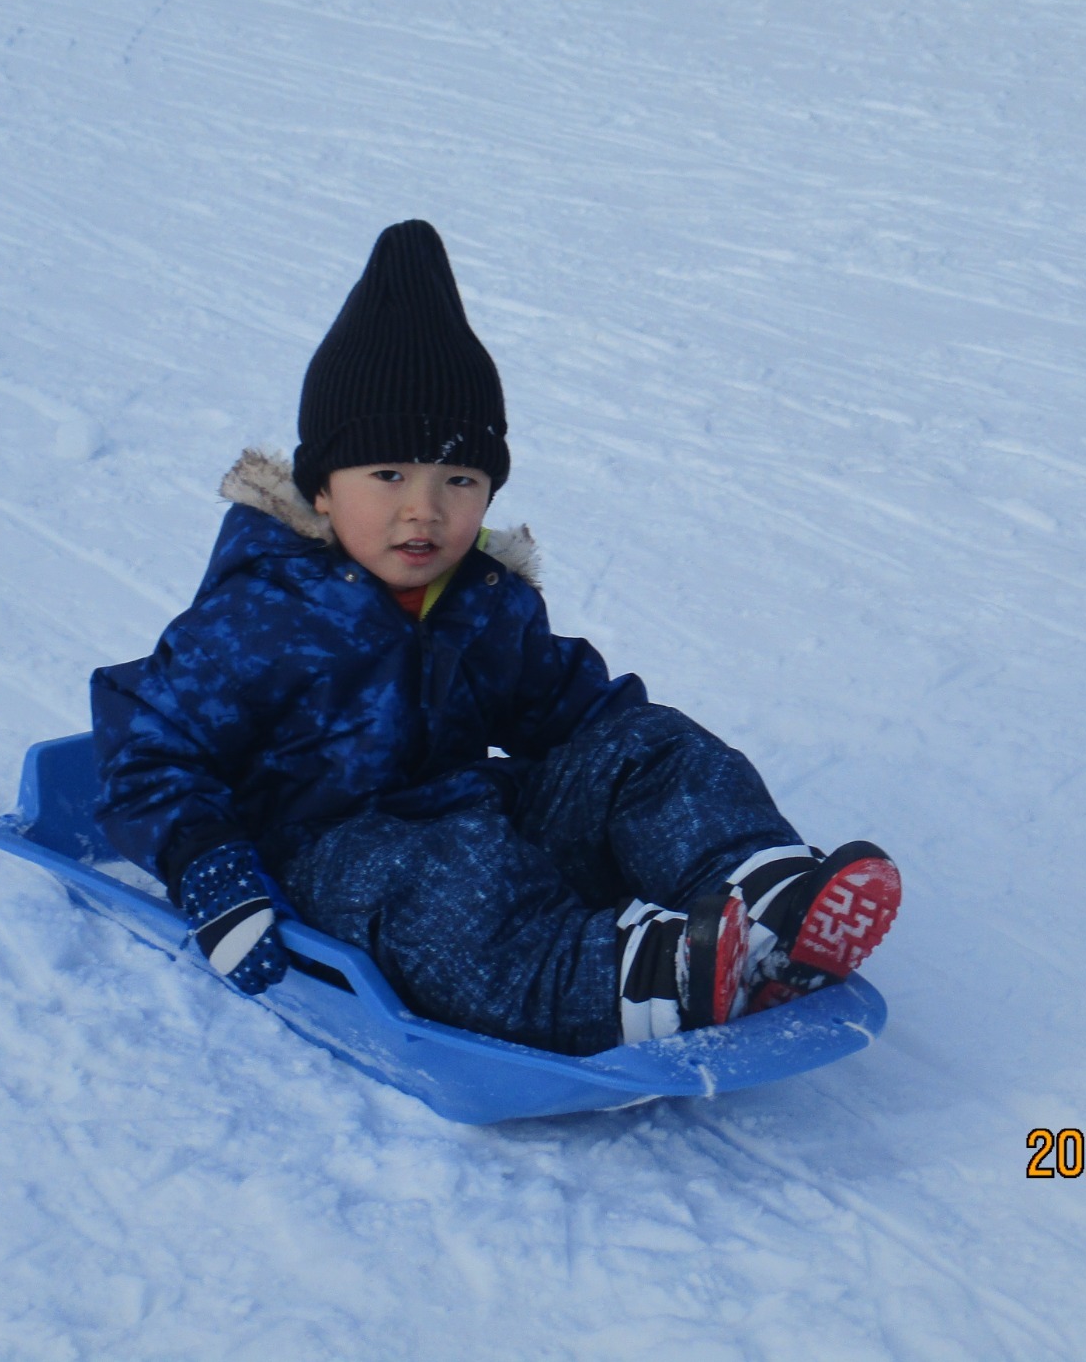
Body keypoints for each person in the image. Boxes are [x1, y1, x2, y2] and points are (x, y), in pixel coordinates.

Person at [90, 220, 899, 1055]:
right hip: (328, 856)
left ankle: (763, 898)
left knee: (645, 746)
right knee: (447, 890)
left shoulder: (482, 598)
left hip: (476, 817)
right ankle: (631, 978)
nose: (425, 509)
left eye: (460, 480)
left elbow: (570, 711)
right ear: (322, 490)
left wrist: (640, 780)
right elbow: (148, 757)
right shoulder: (261, 614)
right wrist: (207, 865)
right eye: (389, 475)